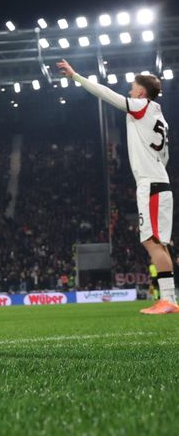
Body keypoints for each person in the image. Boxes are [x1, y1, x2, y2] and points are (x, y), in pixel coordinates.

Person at [57, 60, 178, 314]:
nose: (130, 91)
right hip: (159, 180)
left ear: (142, 92)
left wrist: (76, 76)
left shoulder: (141, 107)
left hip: (151, 184)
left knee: (151, 242)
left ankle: (168, 300)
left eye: (134, 87)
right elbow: (164, 157)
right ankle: (168, 298)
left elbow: (106, 94)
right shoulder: (159, 116)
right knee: (158, 242)